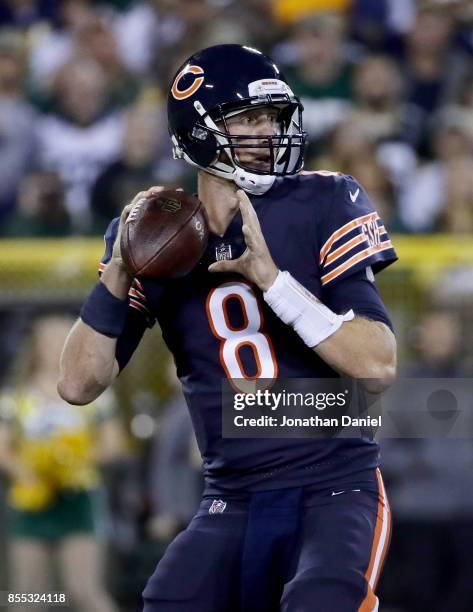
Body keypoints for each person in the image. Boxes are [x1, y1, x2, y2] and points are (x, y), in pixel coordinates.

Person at [58, 44, 398, 612]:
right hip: (231, 497)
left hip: (335, 486)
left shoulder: (324, 199)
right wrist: (116, 272)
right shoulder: (155, 231)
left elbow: (379, 363)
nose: (268, 132)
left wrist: (276, 283)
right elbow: (78, 385)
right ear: (197, 131)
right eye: (247, 120)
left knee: (322, 601)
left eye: (272, 117)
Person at [0, 314, 125, 612]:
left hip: (79, 500)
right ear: (36, 347)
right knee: (29, 597)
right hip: (31, 501)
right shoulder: (15, 396)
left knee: (83, 591)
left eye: (65, 339)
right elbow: (3, 448)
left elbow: (114, 444)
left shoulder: (94, 393)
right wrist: (27, 470)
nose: (57, 346)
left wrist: (73, 464)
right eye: (50, 340)